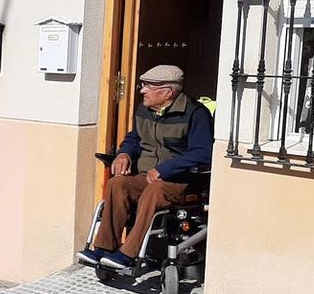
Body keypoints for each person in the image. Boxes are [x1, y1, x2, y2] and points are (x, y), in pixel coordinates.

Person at [78, 64, 213, 271]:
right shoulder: (145, 110)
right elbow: (134, 138)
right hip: (146, 177)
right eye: (143, 85)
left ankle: (128, 253)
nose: (142, 90)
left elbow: (203, 153)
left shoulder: (195, 114)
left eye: (148, 86)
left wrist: (165, 170)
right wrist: (124, 153)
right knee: (118, 183)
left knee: (155, 189)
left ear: (168, 92)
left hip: (180, 182)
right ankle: (104, 249)